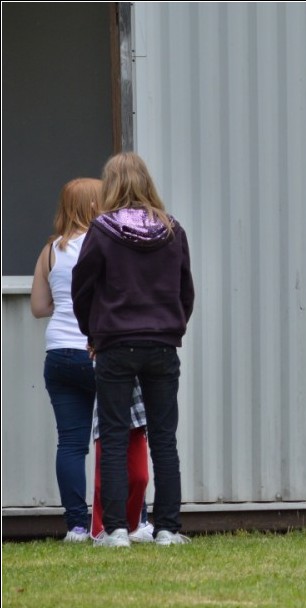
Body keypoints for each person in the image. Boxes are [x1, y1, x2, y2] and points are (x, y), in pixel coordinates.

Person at [72, 152, 196, 548]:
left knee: (112, 436)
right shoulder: (173, 229)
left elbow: (82, 287)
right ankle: (167, 529)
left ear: (111, 186)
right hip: (161, 344)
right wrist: (172, 326)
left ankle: (116, 530)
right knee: (164, 438)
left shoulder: (102, 230)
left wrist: (92, 332)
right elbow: (185, 290)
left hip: (115, 344)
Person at [30, 178, 103, 542]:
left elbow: (39, 307)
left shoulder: (50, 251)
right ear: (96, 206)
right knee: (115, 437)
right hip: (98, 352)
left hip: (58, 353)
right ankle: (119, 520)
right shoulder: (106, 246)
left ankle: (76, 525)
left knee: (71, 442)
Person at [90, 380, 153, 542]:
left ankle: (129, 527)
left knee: (140, 477)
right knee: (103, 480)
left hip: (137, 411)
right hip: (108, 412)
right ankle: (103, 529)